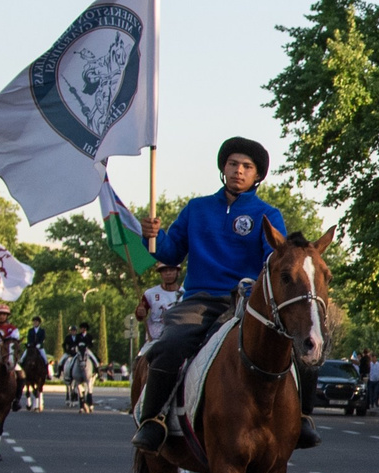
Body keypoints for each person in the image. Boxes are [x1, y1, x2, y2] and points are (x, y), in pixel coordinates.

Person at [131, 138, 315, 451]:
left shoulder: (267, 215)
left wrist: (254, 290)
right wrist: (152, 235)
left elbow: (273, 263)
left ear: (257, 175)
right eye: (232, 164)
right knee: (170, 345)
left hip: (247, 302)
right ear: (223, 168)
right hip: (200, 302)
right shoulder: (197, 209)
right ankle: (153, 420)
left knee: (303, 346)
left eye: (247, 167)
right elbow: (170, 252)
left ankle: (303, 418)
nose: (238, 171)